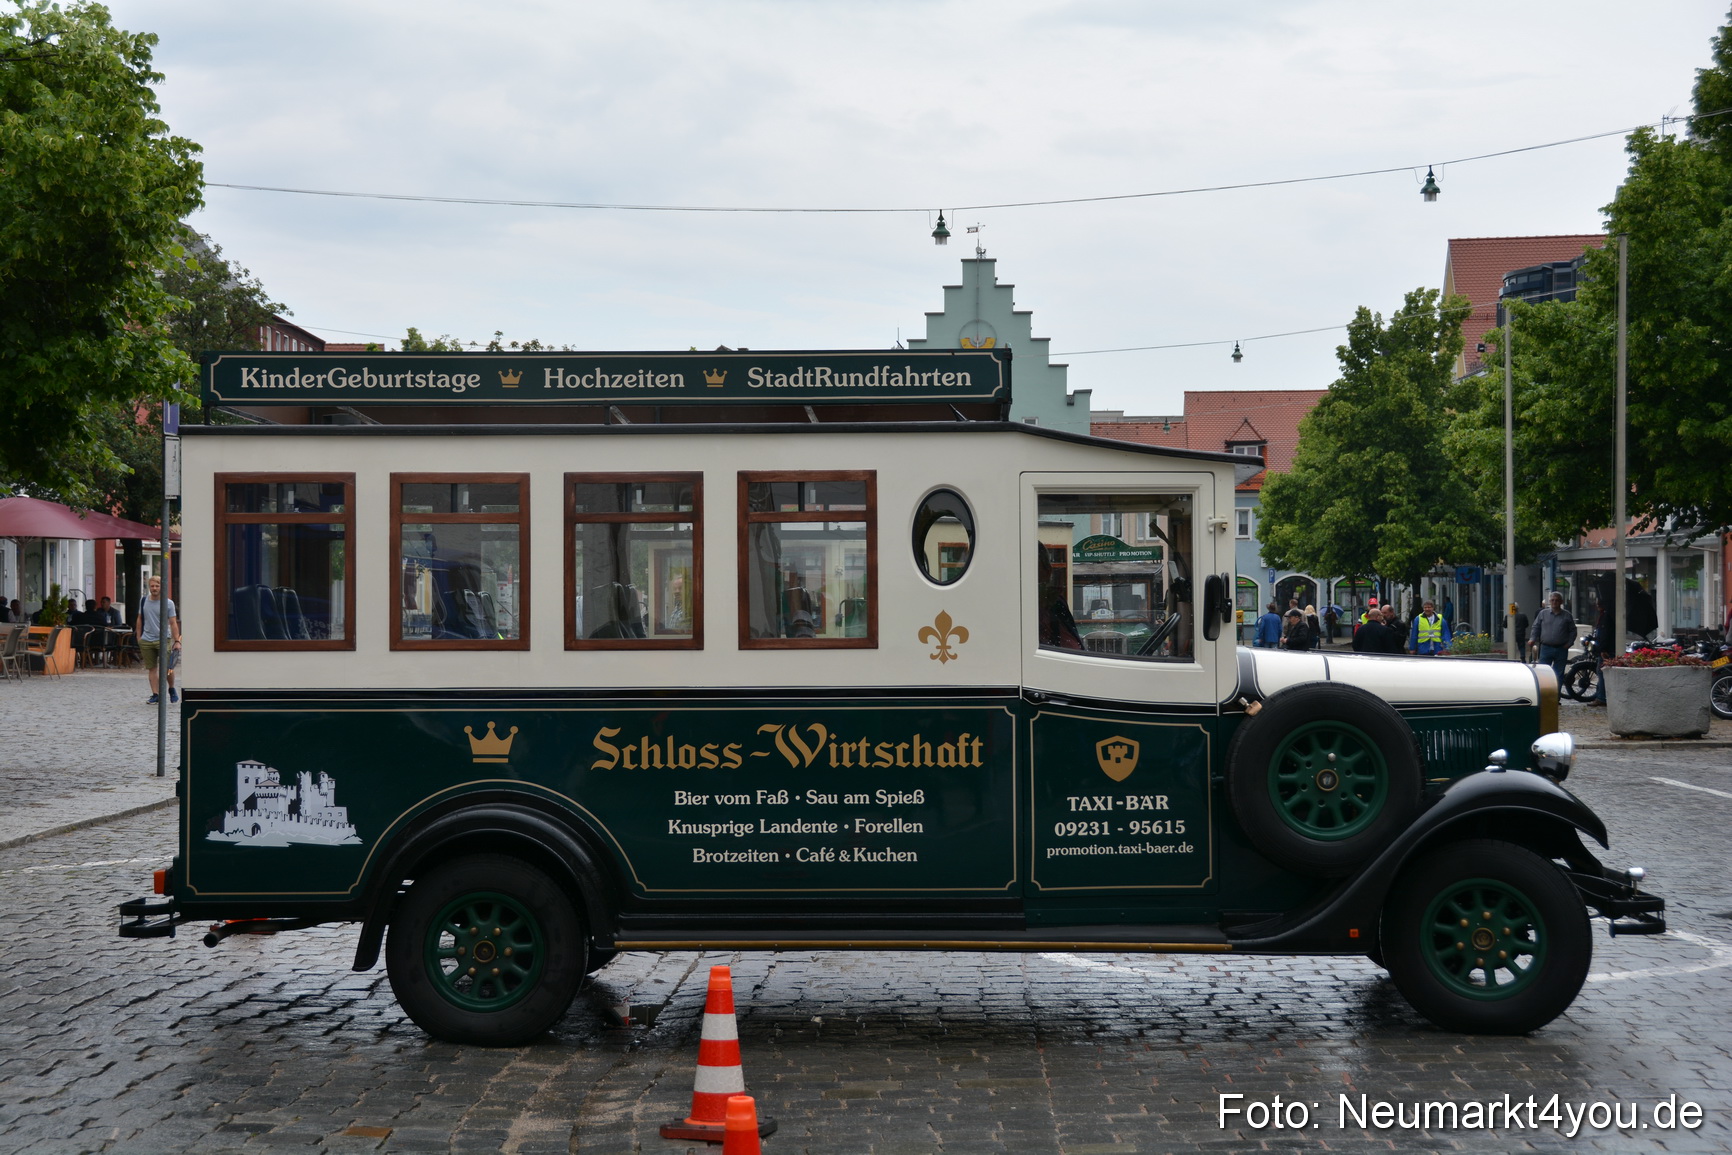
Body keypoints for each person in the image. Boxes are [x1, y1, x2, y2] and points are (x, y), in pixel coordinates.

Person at [136, 575, 181, 704]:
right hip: (147, 639)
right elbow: (139, 618)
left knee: (167, 667)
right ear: (149, 587)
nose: (154, 588)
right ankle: (155, 694)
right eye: (152, 586)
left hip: (163, 639)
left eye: (157, 586)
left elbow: (173, 623)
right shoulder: (143, 601)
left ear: (161, 587)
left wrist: (177, 640)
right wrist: (139, 637)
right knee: (152, 668)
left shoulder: (168, 603)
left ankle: (171, 688)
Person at [1531, 592, 1576, 685]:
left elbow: (1573, 631)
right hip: (1546, 648)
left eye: (1557, 600)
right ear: (1549, 602)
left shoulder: (1567, 615)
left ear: (1561, 602)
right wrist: (1532, 639)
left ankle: (1556, 697)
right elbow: (1536, 627)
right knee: (1543, 673)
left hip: (1561, 649)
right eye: (1552, 600)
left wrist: (1569, 643)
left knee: (1558, 675)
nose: (1554, 602)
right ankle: (1544, 697)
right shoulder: (1543, 613)